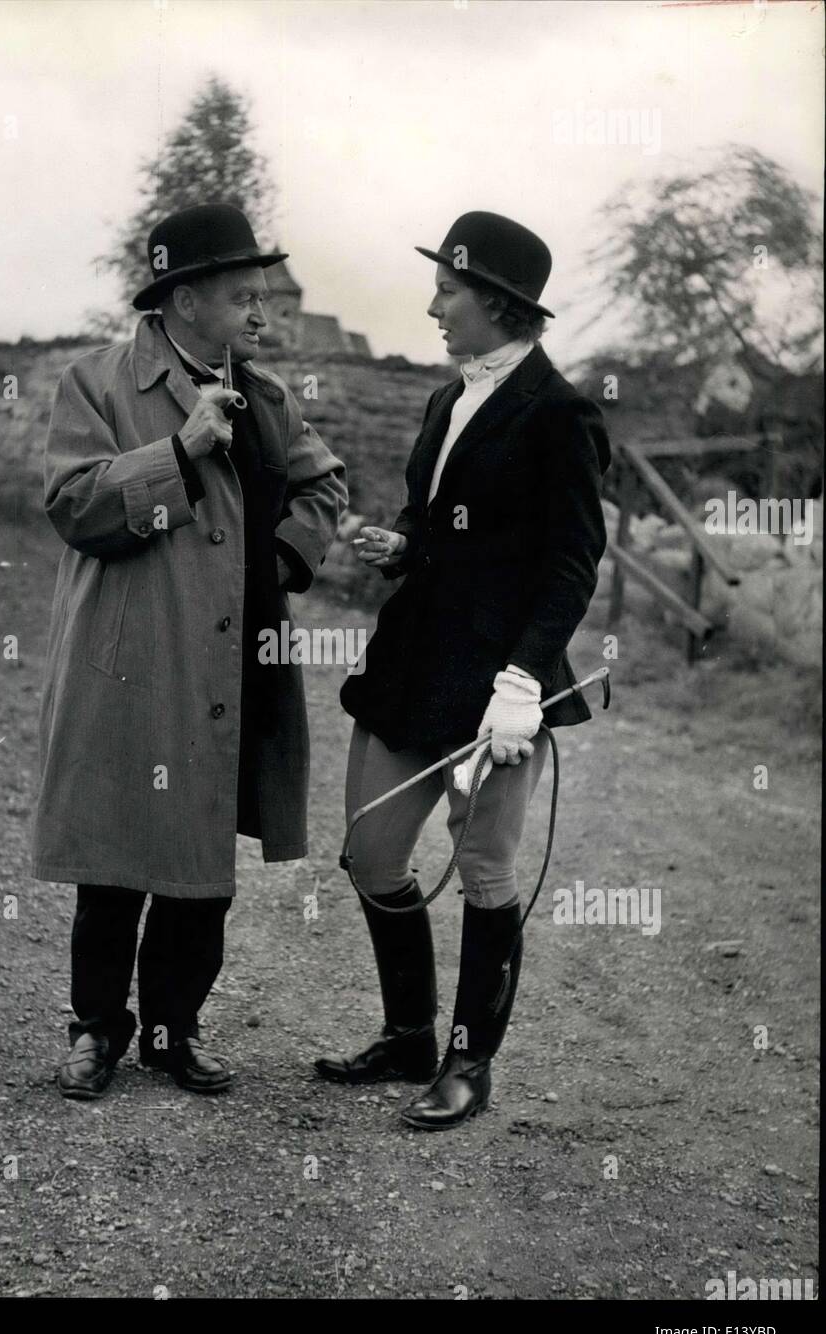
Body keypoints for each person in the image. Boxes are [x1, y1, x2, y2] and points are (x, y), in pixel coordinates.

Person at [33, 203, 346, 1100]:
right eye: (244, 296)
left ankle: (173, 1031)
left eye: (263, 297)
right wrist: (177, 449)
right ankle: (95, 1030)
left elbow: (325, 482)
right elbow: (76, 508)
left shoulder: (271, 398)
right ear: (182, 298)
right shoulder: (95, 384)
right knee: (117, 851)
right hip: (132, 659)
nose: (262, 314)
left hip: (229, 662)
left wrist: (288, 553)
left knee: (203, 857)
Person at [315, 211, 610, 1130]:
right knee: (371, 855)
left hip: (496, 689)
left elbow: (570, 564)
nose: (433, 305)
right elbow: (428, 515)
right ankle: (407, 1030)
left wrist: (522, 680)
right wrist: (397, 544)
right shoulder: (448, 400)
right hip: (412, 665)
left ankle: (467, 1061)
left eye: (448, 289)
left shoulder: (562, 415)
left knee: (484, 869)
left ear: (498, 303)